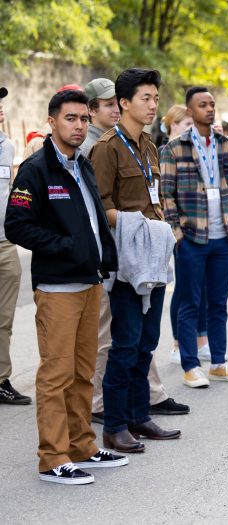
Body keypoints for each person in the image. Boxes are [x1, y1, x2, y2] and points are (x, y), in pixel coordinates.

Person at [4, 89, 128, 484]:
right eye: (70, 119)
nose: (78, 126)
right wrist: (66, 248)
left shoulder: (83, 164)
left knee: (82, 372)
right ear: (52, 122)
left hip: (89, 283)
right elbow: (17, 225)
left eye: (82, 119)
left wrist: (101, 257)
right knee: (56, 374)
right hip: (58, 287)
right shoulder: (36, 168)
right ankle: (52, 457)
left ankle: (82, 446)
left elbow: (92, 219)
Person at [83, 83, 188, 424]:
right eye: (146, 98)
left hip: (153, 255)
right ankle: (115, 425)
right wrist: (140, 226)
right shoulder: (107, 148)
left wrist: (159, 229)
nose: (153, 104)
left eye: (157, 98)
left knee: (147, 342)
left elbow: (154, 200)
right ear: (125, 103)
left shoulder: (148, 146)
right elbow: (100, 207)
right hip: (127, 259)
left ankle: (141, 417)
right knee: (124, 344)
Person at [160, 87, 228, 387]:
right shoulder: (173, 149)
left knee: (218, 303)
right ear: (189, 110)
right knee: (189, 301)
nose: (210, 109)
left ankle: (220, 362)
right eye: (203, 105)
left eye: (212, 104)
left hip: (225, 235)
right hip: (192, 237)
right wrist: (177, 234)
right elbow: (166, 195)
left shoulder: (225, 145)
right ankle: (190, 365)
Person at [159, 104, 211, 365]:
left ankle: (201, 340)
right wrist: (175, 231)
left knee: (200, 285)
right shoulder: (165, 153)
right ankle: (179, 343)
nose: (193, 129)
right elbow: (164, 195)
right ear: (173, 126)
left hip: (201, 228)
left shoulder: (197, 150)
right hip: (176, 230)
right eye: (188, 124)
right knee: (183, 288)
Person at [0, 86, 31, 405]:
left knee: (4, 318)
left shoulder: (8, 147)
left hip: (5, 243)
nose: (0, 107)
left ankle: (1, 378)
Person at [81, 78, 121, 157]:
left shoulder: (117, 141)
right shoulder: (88, 148)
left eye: (119, 103)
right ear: (92, 110)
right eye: (110, 104)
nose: (118, 110)